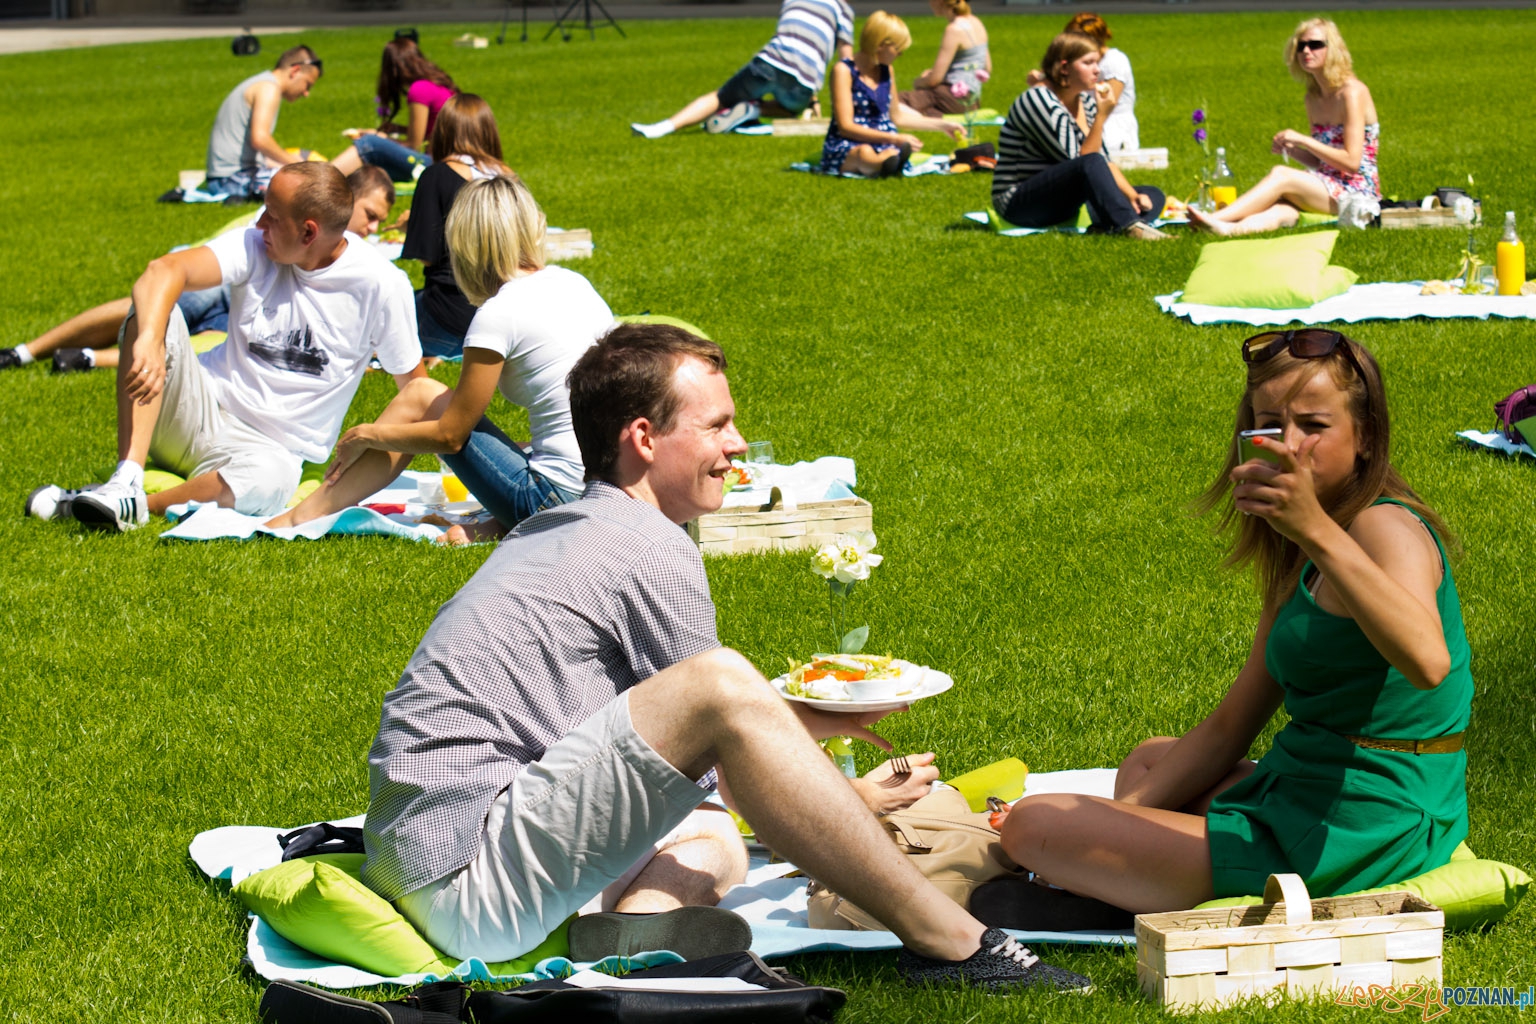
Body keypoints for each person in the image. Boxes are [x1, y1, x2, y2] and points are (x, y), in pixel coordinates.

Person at [357, 321, 1093, 990]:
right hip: (464, 873)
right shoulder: (650, 546)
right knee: (720, 680)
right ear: (644, 439)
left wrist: (815, 726)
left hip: (427, 856)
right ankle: (951, 944)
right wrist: (849, 805)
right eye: (717, 425)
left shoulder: (567, 527)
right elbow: (718, 716)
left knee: (711, 835)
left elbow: (704, 756)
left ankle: (625, 944)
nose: (738, 444)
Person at [993, 330, 1472, 913]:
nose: (1289, 446)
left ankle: (1108, 879)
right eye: (1270, 423)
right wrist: (1123, 817)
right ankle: (1118, 871)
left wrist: (1312, 529)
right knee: (1150, 759)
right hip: (1309, 786)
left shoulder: (1383, 527)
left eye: (1314, 426)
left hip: (1367, 820)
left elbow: (1428, 661)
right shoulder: (1302, 549)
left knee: (1035, 824)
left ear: (1365, 436)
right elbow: (1229, 728)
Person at [25, 163, 424, 532]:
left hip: (270, 450)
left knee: (268, 485)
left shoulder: (382, 286)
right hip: (195, 411)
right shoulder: (256, 244)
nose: (261, 223)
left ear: (308, 232)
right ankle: (125, 479)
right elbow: (164, 270)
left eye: (272, 215)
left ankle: (138, 504)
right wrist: (149, 337)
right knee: (150, 311)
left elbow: (416, 389)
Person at [266, 175, 602, 543]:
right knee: (496, 432)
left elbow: (450, 435)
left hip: (551, 500)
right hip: (601, 496)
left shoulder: (499, 314)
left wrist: (367, 435)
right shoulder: (574, 283)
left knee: (420, 395)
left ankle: (299, 518)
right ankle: (499, 527)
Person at [1, 168, 396, 375]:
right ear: (344, 201)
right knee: (141, 312)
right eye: (371, 215)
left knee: (219, 343)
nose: (372, 226)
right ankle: (25, 352)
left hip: (249, 301)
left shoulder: (358, 258)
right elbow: (191, 264)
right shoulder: (282, 215)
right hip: (214, 272)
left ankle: (86, 357)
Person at [1189, 19, 1380, 236]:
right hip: (1327, 184)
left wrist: (1303, 140)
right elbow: (1321, 163)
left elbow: (1351, 163)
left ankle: (1210, 218)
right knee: (1281, 210)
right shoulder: (1313, 98)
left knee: (1281, 175)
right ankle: (1227, 229)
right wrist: (1292, 150)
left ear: (1333, 48)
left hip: (1357, 193)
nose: (1306, 51)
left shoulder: (1352, 92)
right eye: (1300, 46)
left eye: (1315, 45)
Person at [993, 32, 1166, 239]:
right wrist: (1103, 115)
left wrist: (1132, 195)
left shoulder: (1085, 100)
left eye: (1097, 62)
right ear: (1064, 68)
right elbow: (1080, 161)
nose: (1097, 70)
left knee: (1153, 195)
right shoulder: (1038, 101)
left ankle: (1111, 225)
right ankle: (1130, 228)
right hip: (1020, 203)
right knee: (1091, 163)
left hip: (1064, 198)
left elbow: (1103, 161)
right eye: (1088, 63)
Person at [399, 94, 516, 361]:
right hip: (506, 316)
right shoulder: (509, 178)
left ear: (441, 132)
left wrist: (412, 226)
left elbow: (427, 257)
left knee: (387, 313)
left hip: (450, 317)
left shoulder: (436, 176)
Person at [629, 0, 854, 139]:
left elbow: (796, 37)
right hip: (803, 83)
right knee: (791, 110)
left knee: (719, 98)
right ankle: (754, 110)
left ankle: (662, 128)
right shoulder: (844, 11)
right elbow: (845, 62)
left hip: (771, 61)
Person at [820, 11, 962, 178]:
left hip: (884, 143)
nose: (901, 53)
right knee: (864, 153)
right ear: (880, 44)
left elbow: (897, 117)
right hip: (848, 144)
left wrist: (943, 125)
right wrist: (895, 139)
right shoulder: (844, 71)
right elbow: (845, 127)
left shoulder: (887, 71)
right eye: (897, 48)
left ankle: (888, 164)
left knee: (888, 153)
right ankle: (884, 166)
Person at [205, 45, 324, 201]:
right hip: (230, 180)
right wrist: (296, 165)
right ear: (295, 71)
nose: (306, 93)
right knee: (307, 186)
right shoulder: (269, 88)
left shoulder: (262, 83)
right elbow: (260, 140)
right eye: (307, 84)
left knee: (304, 157)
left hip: (227, 176)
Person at [332, 37, 457, 184]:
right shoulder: (436, 84)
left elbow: (414, 145)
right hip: (449, 164)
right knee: (368, 167)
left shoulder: (419, 90)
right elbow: (432, 131)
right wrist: (400, 129)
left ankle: (317, 182)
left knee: (369, 144)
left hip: (432, 164)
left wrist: (380, 137)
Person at [897, 0, 990, 117]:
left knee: (895, 102)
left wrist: (918, 82)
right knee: (925, 110)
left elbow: (934, 80)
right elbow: (987, 68)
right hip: (972, 102)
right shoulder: (977, 23)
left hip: (950, 96)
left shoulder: (954, 29)